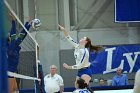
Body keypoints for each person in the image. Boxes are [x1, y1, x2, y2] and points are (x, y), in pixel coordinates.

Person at [58, 25, 103, 93]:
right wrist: (64, 30)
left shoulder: (85, 52)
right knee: (77, 87)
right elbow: (68, 38)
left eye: (83, 38)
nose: (81, 38)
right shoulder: (77, 46)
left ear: (85, 42)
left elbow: (80, 65)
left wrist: (68, 67)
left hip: (86, 71)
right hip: (80, 71)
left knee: (83, 89)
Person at [7, 13, 32, 93]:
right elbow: (13, 35)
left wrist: (28, 24)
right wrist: (13, 21)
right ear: (9, 40)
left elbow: (22, 35)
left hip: (13, 75)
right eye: (10, 37)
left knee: (16, 91)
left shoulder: (15, 46)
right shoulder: (9, 48)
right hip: (8, 76)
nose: (12, 37)